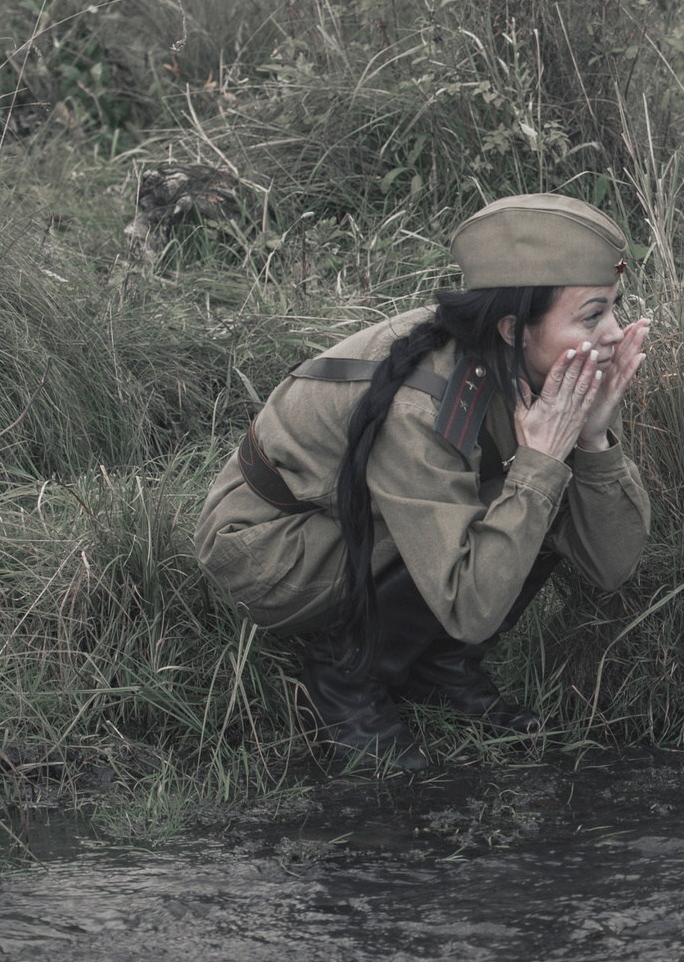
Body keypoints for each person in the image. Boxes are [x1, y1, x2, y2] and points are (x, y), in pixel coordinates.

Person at [195, 193, 654, 768]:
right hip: (271, 547)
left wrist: (590, 440)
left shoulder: (530, 369)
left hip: (346, 521)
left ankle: (438, 668)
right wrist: (540, 468)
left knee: (535, 488)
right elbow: (470, 601)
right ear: (513, 329)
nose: (614, 333)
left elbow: (609, 566)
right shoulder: (423, 406)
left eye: (614, 309)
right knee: (527, 491)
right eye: (592, 315)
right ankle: (347, 677)